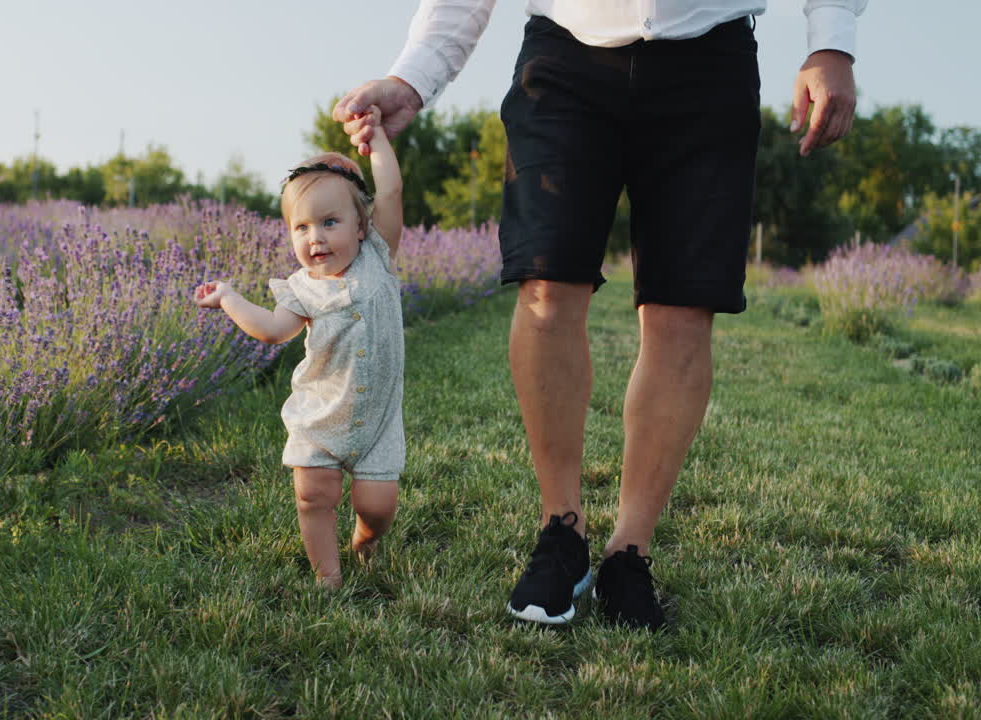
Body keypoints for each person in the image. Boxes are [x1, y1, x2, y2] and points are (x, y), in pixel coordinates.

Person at [333, 0, 866, 630]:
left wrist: (831, 40)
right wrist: (414, 74)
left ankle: (628, 553)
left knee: (682, 309)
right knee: (545, 288)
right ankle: (562, 531)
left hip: (709, 61)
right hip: (563, 62)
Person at [194, 108, 404, 588]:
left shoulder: (379, 258)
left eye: (330, 222)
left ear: (361, 226)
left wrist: (377, 143)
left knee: (377, 506)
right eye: (302, 227)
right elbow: (271, 329)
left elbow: (390, 191)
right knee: (314, 496)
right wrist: (230, 298)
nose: (316, 238)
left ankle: (366, 539)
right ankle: (327, 577)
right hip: (318, 416)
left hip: (377, 422)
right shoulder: (300, 289)